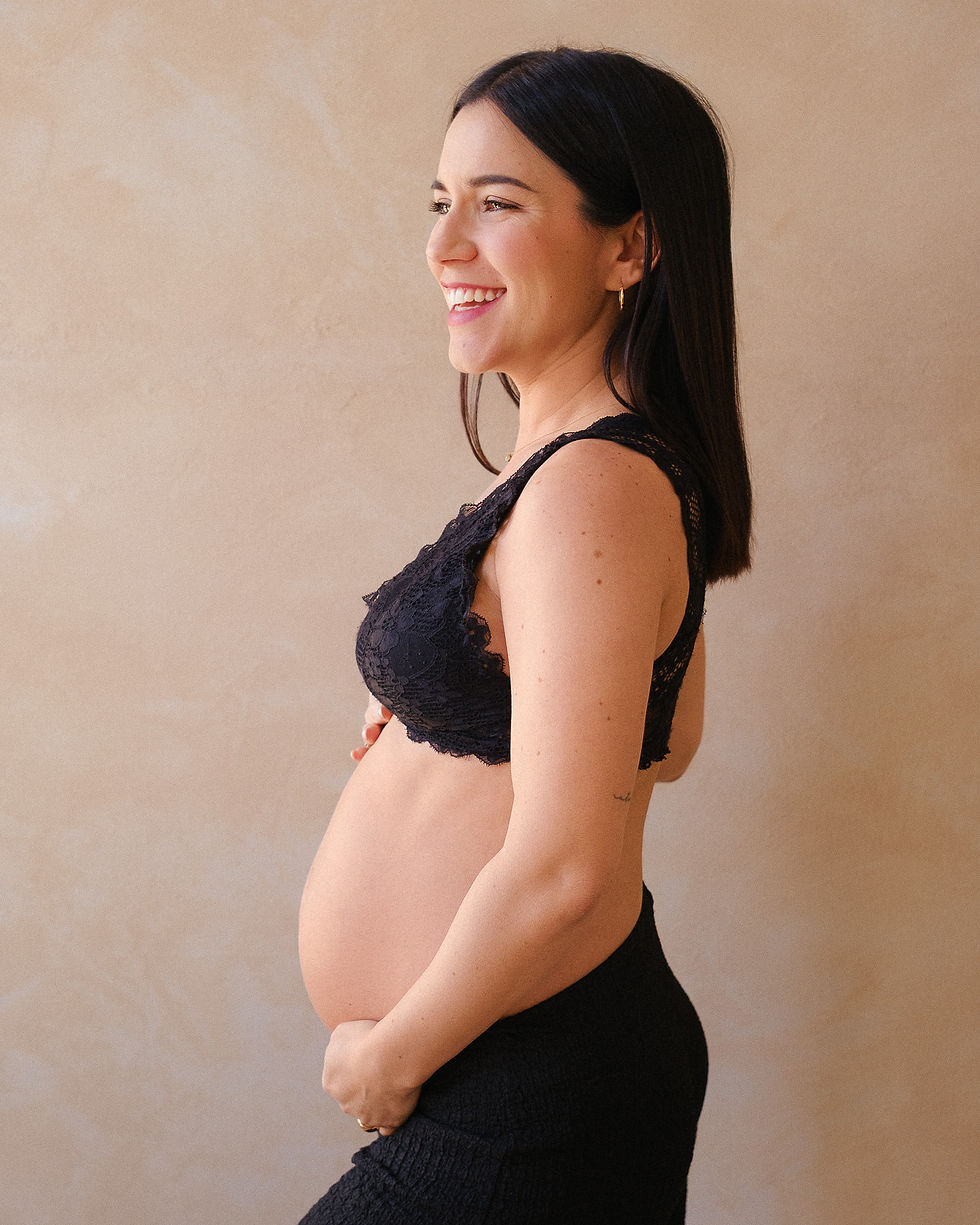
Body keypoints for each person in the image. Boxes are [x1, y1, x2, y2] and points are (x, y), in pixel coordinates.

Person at [296, 46, 752, 1225]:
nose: (444, 247)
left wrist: (394, 1052)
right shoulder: (580, 469)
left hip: (521, 1080)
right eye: (440, 203)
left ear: (628, 246)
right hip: (520, 1060)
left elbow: (565, 866)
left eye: (497, 205)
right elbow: (668, 735)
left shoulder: (590, 485)